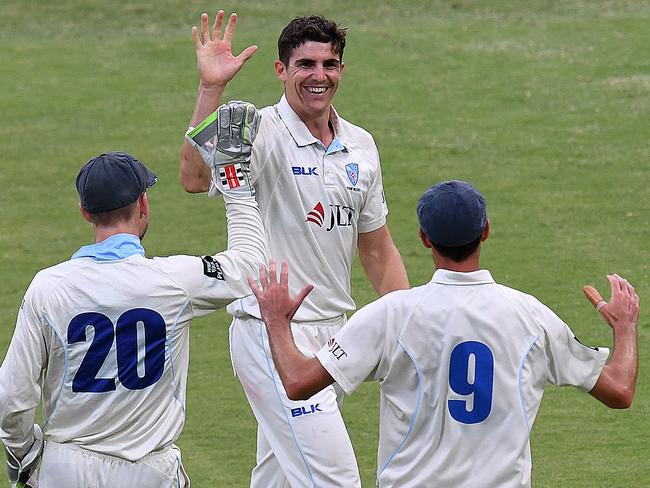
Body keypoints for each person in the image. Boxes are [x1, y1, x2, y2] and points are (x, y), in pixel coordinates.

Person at [251, 180, 640, 488]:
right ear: (485, 232)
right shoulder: (531, 316)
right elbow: (620, 390)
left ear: (424, 239)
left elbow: (298, 382)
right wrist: (625, 328)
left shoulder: (392, 314)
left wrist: (276, 321)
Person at [180, 10, 410, 488]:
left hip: (334, 338)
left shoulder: (361, 146)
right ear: (282, 70)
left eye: (329, 64)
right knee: (335, 480)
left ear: (342, 70)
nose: (319, 76)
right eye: (305, 64)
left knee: (280, 477)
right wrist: (210, 90)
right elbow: (194, 178)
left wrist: (407, 323)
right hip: (269, 332)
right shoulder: (259, 132)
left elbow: (377, 249)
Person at [0, 102, 266, 487]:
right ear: (143, 203)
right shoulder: (174, 282)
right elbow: (251, 264)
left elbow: (12, 398)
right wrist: (233, 177)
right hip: (149, 472)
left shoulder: (48, 288)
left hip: (66, 470)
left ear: (84, 212)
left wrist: (22, 455)